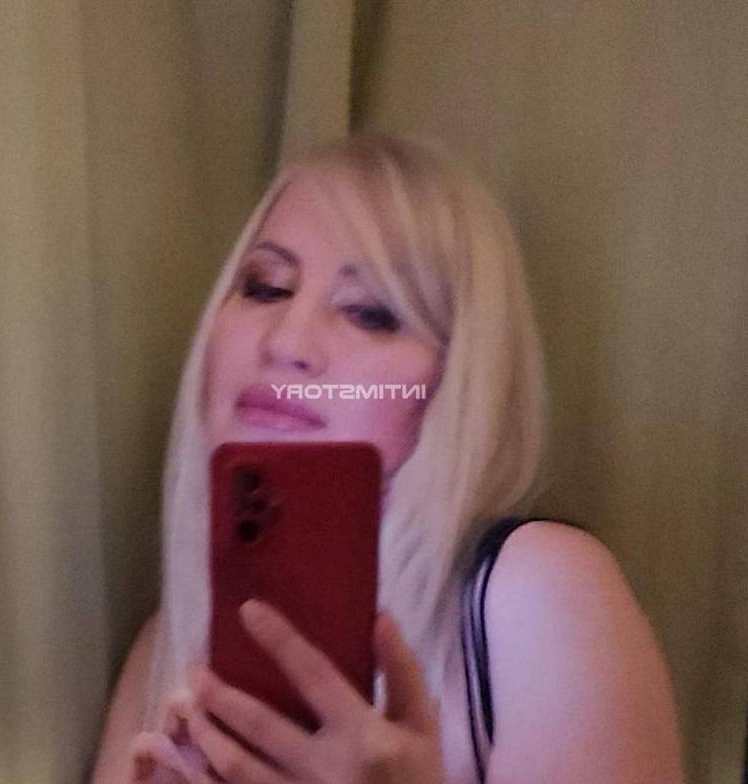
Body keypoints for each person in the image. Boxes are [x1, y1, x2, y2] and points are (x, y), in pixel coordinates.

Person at [89, 133, 686, 783]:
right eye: (266, 287)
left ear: (457, 380)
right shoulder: (167, 644)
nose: (287, 342)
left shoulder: (538, 590)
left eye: (370, 313)